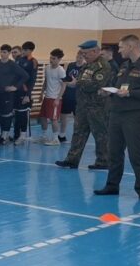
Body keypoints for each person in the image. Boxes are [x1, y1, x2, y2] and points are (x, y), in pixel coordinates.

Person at [94, 34, 140, 202]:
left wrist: (130, 93)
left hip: (134, 116)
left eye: (121, 47)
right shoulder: (124, 65)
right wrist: (109, 91)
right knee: (114, 152)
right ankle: (112, 185)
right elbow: (118, 86)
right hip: (116, 113)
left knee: (136, 153)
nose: (119, 50)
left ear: (131, 47)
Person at [55, 40, 113, 169]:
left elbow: (96, 84)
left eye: (86, 53)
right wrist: (75, 83)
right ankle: (72, 160)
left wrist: (77, 83)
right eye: (82, 53)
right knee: (78, 133)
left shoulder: (102, 66)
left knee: (100, 134)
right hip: (82, 105)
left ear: (95, 51)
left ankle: (103, 161)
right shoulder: (87, 65)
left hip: (97, 107)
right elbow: (83, 81)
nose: (84, 56)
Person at [0, 44, 28, 144]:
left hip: (7, 94)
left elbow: (25, 76)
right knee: (0, 114)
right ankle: (2, 134)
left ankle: (5, 135)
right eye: (1, 52)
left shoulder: (12, 64)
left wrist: (15, 87)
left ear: (8, 53)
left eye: (4, 52)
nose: (2, 54)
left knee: (6, 114)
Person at [37, 49, 67, 146]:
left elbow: (64, 85)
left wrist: (58, 99)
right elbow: (46, 81)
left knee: (54, 119)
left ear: (59, 59)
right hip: (47, 97)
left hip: (55, 98)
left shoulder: (61, 71)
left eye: (54, 58)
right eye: (50, 58)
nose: (51, 60)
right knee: (42, 117)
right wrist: (41, 93)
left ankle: (55, 139)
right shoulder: (47, 68)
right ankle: (44, 136)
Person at [13, 41, 39, 145]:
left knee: (22, 114)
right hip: (16, 91)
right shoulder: (18, 59)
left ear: (31, 50)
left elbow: (33, 79)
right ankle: (17, 135)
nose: (23, 51)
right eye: (23, 49)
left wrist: (28, 94)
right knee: (17, 113)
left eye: (26, 50)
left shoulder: (33, 62)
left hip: (24, 91)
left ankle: (23, 136)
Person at [59, 50, 85, 142]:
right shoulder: (70, 65)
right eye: (78, 56)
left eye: (81, 57)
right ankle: (62, 135)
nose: (79, 58)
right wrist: (68, 83)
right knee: (63, 116)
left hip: (78, 96)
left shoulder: (85, 67)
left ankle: (77, 137)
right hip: (67, 94)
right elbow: (65, 79)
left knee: (77, 118)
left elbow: (82, 82)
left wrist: (73, 83)